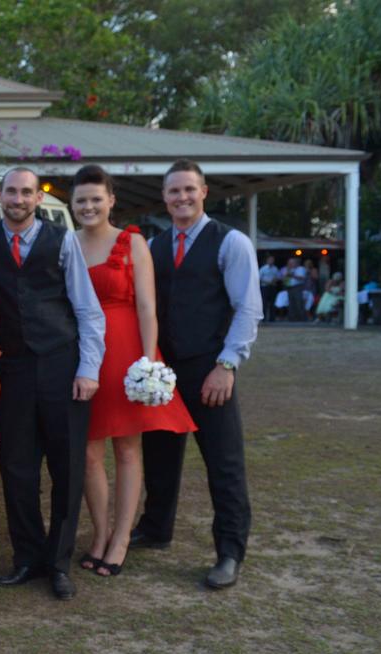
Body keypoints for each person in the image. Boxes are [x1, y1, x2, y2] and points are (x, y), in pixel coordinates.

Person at [0, 168, 105, 601]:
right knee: (17, 467)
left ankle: (58, 563)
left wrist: (89, 369)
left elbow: (88, 310)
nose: (18, 199)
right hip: (18, 369)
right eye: (11, 191)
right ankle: (26, 558)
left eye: (27, 192)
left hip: (64, 366)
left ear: (37, 198)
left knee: (67, 467)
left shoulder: (62, 241)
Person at [130, 159, 262, 590]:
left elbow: (248, 308)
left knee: (223, 464)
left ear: (204, 192)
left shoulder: (231, 243)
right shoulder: (155, 246)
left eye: (189, 189)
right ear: (164, 198)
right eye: (173, 191)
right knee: (160, 455)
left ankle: (228, 552)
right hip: (165, 372)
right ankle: (156, 528)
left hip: (210, 369)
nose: (182, 197)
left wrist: (227, 366)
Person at [68, 165, 196, 578]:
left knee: (126, 448)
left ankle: (122, 537)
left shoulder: (133, 242)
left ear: (111, 200)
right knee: (88, 452)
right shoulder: (67, 244)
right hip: (85, 356)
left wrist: (148, 361)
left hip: (126, 354)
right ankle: (100, 533)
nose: (88, 206)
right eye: (81, 200)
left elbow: (147, 306)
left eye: (95, 198)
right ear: (72, 204)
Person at [259, 255, 280, 322]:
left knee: (272, 303)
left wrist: (273, 281)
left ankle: (272, 318)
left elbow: (278, 277)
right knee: (264, 303)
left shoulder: (275, 268)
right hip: (264, 287)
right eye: (270, 260)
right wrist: (267, 282)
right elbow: (259, 278)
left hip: (272, 287)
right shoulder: (263, 268)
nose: (271, 261)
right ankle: (264, 318)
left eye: (272, 260)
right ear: (267, 261)